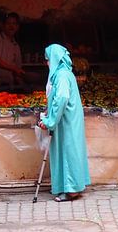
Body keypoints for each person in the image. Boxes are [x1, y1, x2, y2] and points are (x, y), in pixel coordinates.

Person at [38, 44, 91, 202]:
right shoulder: (65, 73)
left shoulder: (61, 75)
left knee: (68, 151)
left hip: (66, 120)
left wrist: (49, 121)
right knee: (70, 149)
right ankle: (69, 185)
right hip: (69, 118)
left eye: (47, 60)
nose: (47, 63)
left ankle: (71, 190)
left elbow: (61, 98)